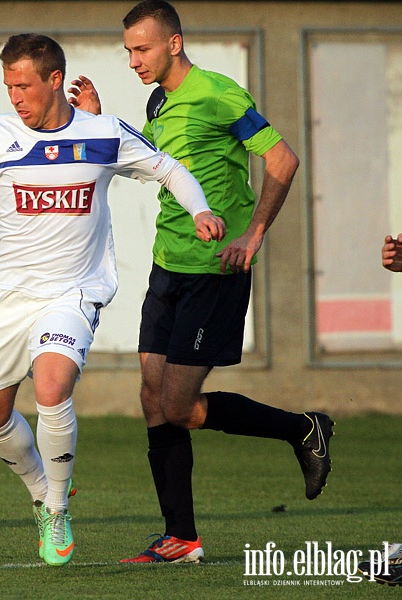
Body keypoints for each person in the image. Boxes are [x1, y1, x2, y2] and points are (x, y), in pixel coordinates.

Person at [0, 33, 224, 566]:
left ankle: (56, 508)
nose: (15, 98)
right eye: (8, 87)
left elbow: (169, 168)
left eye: (24, 85)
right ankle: (39, 487)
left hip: (73, 293)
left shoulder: (102, 133)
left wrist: (200, 209)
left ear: (55, 79)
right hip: (7, 295)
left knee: (52, 388)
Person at [69, 0, 333, 563]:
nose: (133, 60)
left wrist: (253, 235)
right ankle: (180, 537)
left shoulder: (218, 94)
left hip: (216, 269)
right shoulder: (158, 100)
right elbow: (144, 162)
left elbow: (283, 161)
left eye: (141, 49)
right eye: (128, 51)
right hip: (169, 264)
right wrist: (96, 116)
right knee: (151, 398)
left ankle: (303, 429)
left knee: (180, 405)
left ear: (173, 42)